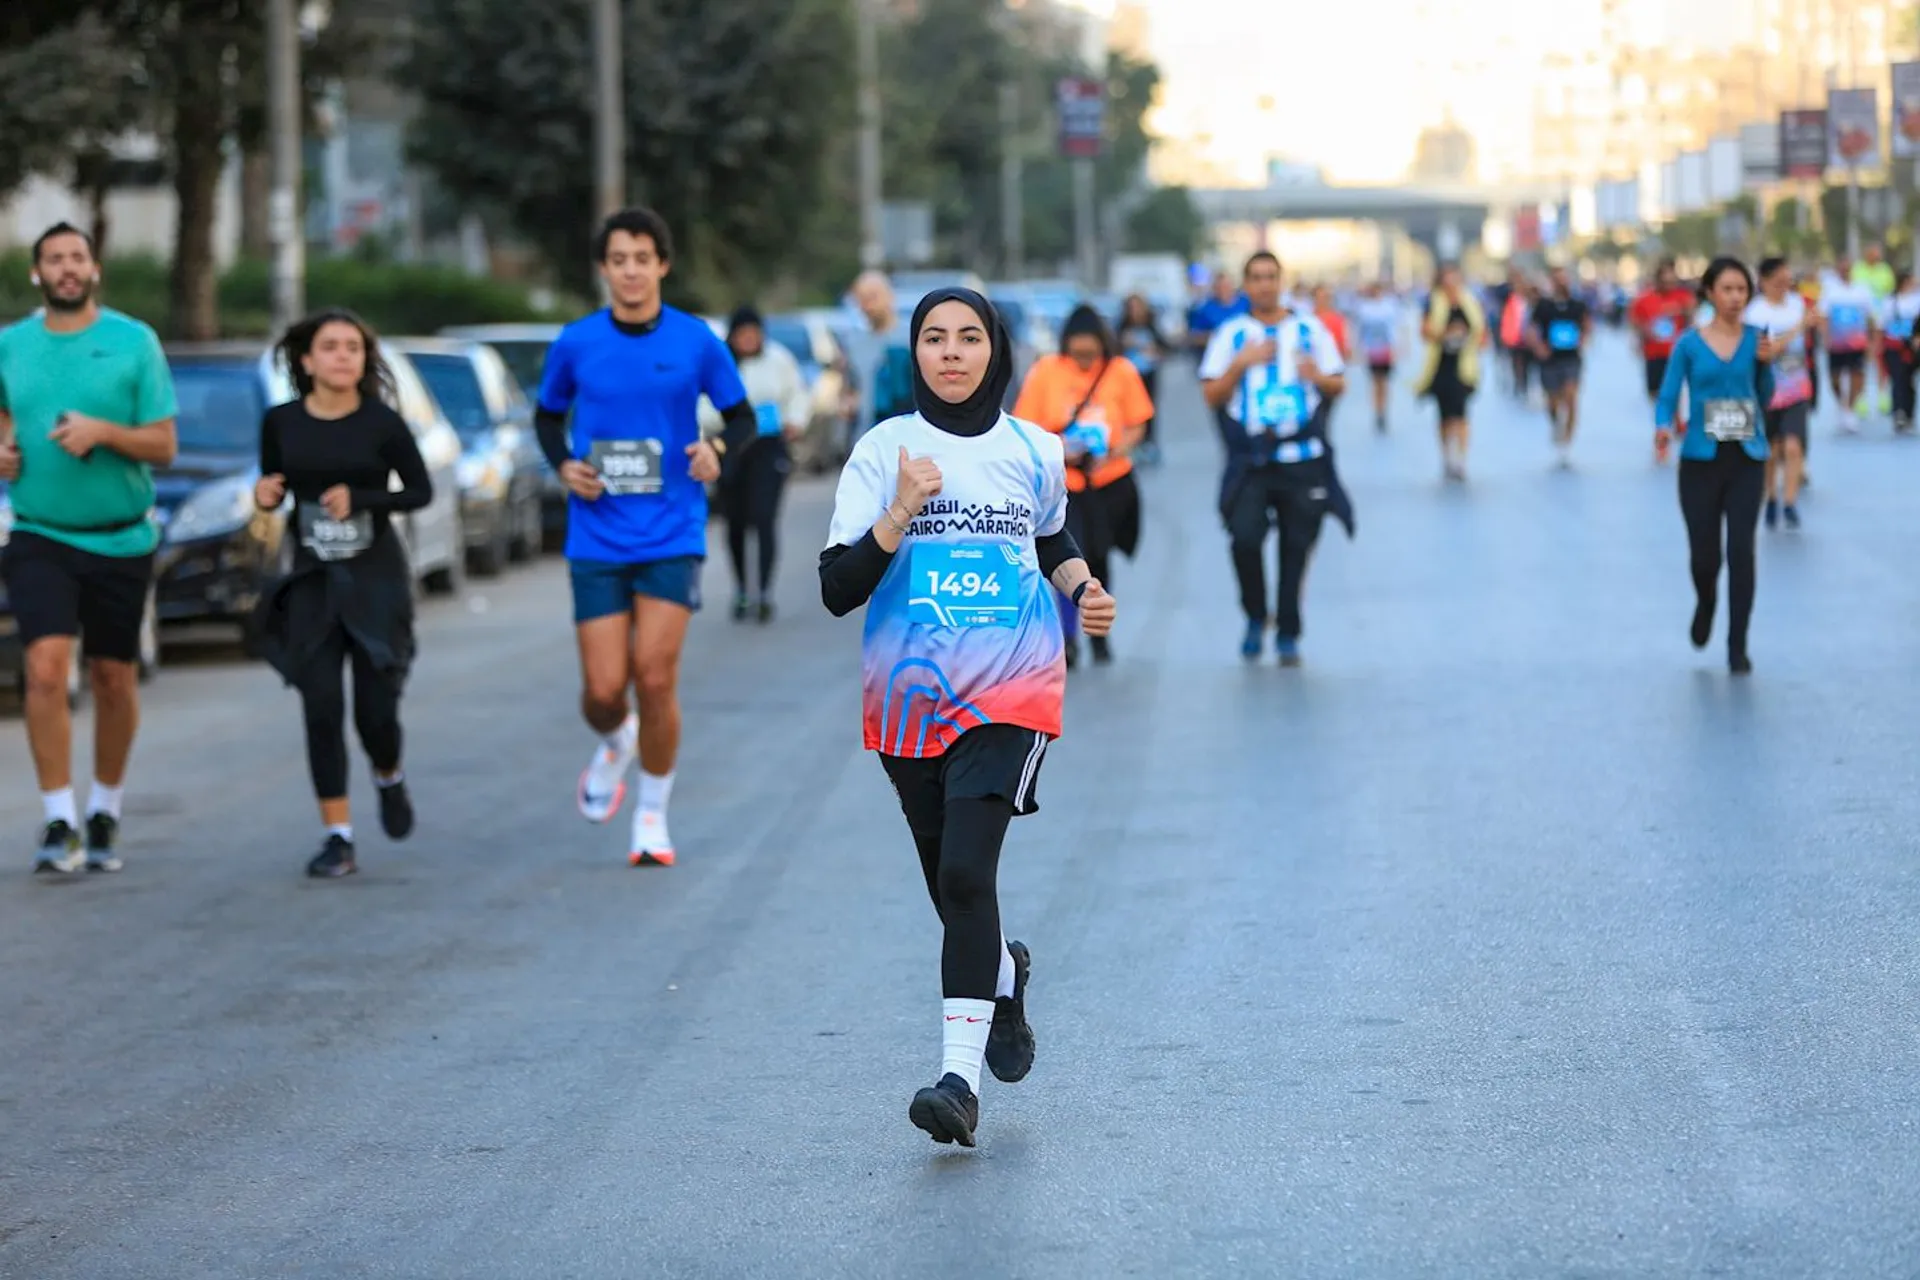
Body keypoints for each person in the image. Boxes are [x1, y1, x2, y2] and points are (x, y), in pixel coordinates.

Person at [818, 288, 1116, 1148]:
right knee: (951, 885)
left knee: (964, 877)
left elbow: (1051, 537)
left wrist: (1083, 588)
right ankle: (1004, 984)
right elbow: (838, 590)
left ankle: (958, 1081)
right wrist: (901, 509)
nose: (952, 352)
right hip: (909, 699)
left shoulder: (1035, 448)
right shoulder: (882, 452)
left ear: (996, 350)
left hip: (1011, 689)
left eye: (970, 337)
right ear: (916, 353)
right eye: (935, 338)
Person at [534, 207, 761, 868]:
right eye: (618, 259)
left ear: (662, 264)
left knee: (654, 677)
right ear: (604, 269)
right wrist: (563, 466)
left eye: (642, 258)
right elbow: (547, 418)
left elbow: (743, 419)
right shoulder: (576, 343)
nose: (631, 270)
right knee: (605, 691)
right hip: (596, 535)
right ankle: (616, 740)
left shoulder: (696, 342)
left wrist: (717, 449)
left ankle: (653, 814)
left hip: (672, 529)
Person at [0, 223, 177, 877]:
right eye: (54, 259)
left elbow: (163, 445)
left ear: (95, 270)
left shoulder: (133, 343)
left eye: (77, 258)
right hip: (40, 532)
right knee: (45, 669)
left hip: (121, 536)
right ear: (36, 274)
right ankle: (59, 819)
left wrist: (104, 431)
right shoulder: (10, 345)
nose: (66, 268)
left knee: (113, 678)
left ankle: (104, 805)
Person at [251, 311, 430, 877]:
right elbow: (274, 488)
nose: (343, 356)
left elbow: (419, 491)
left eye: (353, 347)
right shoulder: (281, 422)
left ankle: (388, 774)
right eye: (330, 347)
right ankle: (338, 835)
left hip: (375, 580)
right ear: (306, 361)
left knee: (375, 712)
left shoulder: (382, 424)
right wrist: (265, 493)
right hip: (313, 582)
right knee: (322, 705)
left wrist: (364, 498)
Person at [1197, 251, 1353, 667]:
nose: (1265, 284)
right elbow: (1211, 395)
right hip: (1251, 460)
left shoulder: (1309, 330)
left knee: (1296, 545)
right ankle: (1254, 614)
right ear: (1246, 285)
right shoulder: (1231, 334)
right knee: (1245, 538)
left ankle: (1287, 631)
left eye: (1271, 276)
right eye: (1256, 277)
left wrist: (1315, 376)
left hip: (1301, 458)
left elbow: (1339, 383)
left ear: (1281, 281)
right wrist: (1240, 365)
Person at [1655, 257, 1776, 677]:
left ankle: (1737, 644)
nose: (1735, 297)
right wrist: (1661, 428)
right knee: (1705, 558)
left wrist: (1765, 363)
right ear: (1710, 292)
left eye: (1742, 289)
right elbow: (1669, 394)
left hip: (1746, 458)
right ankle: (1706, 601)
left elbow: (1766, 394)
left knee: (1741, 551)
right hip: (1700, 463)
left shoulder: (1758, 339)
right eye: (1726, 289)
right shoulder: (1689, 344)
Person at [1013, 304, 1152, 666]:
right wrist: (1060, 451)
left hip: (1110, 479)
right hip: (1064, 485)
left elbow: (1139, 423)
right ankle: (1069, 638)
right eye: (1078, 352)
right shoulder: (1045, 371)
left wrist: (1115, 450)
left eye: (1091, 352)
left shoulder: (1121, 371)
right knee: (1069, 559)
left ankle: (1099, 634)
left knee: (1100, 558)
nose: (1085, 359)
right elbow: (1024, 428)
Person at [704, 306, 810, 622]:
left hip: (768, 448)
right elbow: (702, 406)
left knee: (764, 518)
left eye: (754, 333)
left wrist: (795, 420)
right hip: (729, 448)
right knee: (735, 523)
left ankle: (763, 592)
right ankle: (741, 589)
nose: (748, 340)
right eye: (742, 334)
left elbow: (797, 394)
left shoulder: (778, 359)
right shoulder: (719, 364)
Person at [1745, 258, 1815, 530]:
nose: (1786, 285)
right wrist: (1798, 328)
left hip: (1796, 390)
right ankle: (1771, 497)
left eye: (1789, 280)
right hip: (1766, 390)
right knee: (1771, 451)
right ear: (1765, 281)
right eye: (1780, 280)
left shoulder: (1797, 305)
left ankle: (1790, 502)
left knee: (1793, 447)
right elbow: (1766, 351)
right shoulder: (1755, 313)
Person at [1414, 263, 1486, 483]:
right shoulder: (1433, 302)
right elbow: (1425, 332)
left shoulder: (1469, 302)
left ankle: (1461, 459)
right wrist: (1445, 334)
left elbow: (1481, 333)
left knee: (1462, 415)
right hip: (1441, 366)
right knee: (1445, 416)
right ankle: (1447, 456)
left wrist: (1470, 339)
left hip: (1464, 366)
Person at [1629, 258, 1697, 463]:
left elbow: (1692, 318)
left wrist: (1681, 311)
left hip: (1676, 354)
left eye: (1672, 281)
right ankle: (1669, 421)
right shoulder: (1644, 299)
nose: (1669, 285)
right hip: (1653, 354)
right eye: (1665, 281)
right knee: (1655, 395)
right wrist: (1645, 332)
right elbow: (1635, 322)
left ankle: (1663, 437)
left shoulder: (1683, 297)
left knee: (1671, 394)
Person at [843, 271, 915, 453]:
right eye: (861, 299)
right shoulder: (853, 343)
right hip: (867, 440)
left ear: (890, 296)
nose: (867, 305)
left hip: (908, 440)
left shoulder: (914, 337)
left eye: (872, 297)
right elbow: (849, 388)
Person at [1530, 265, 1590, 468]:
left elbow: (1587, 325)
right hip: (1550, 360)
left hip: (1571, 358)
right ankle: (1556, 423)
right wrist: (1539, 347)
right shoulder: (1543, 305)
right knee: (1553, 400)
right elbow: (1531, 329)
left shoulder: (1577, 305)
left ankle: (1567, 442)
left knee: (1571, 397)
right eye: (1557, 279)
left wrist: (1583, 340)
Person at [1820, 254, 1876, 433]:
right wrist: (1825, 336)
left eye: (1848, 268)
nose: (1845, 271)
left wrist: (1872, 341)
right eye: (1842, 268)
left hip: (1857, 343)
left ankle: (1849, 409)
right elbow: (1823, 316)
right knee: (1834, 379)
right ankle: (1841, 403)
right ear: (1838, 270)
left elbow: (1871, 317)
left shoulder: (1862, 290)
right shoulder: (1830, 290)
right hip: (1836, 343)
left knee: (1857, 376)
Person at [1113, 293, 1167, 464]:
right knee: (1126, 412)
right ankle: (1129, 445)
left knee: (1147, 410)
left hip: (1148, 374)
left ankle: (1148, 443)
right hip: (1127, 376)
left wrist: (1155, 351)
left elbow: (1165, 346)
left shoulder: (1150, 327)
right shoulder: (1121, 329)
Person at [1353, 280, 1402, 432]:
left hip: (1386, 349)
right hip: (1372, 350)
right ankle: (1377, 410)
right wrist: (1359, 350)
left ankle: (1383, 409)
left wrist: (1397, 349)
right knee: (1375, 382)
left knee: (1384, 382)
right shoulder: (1363, 308)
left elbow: (1395, 328)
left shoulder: (1389, 306)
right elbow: (1360, 330)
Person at [1878, 270, 1920, 435]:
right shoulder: (1890, 301)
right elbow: (1882, 324)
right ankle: (1898, 412)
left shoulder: (1917, 301)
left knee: (1908, 379)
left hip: (1913, 346)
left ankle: (1909, 412)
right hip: (1895, 344)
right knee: (1897, 378)